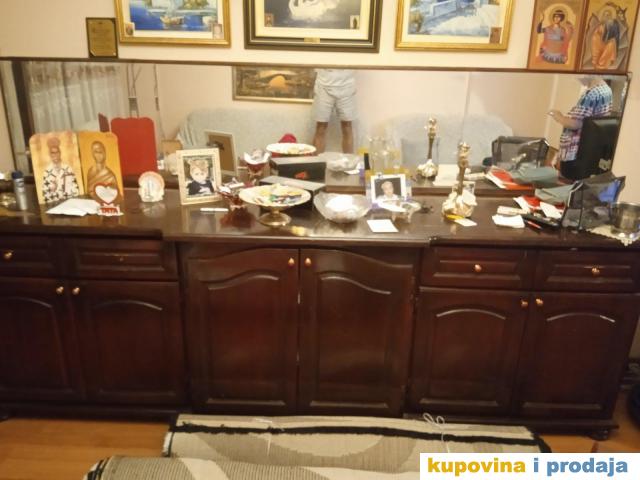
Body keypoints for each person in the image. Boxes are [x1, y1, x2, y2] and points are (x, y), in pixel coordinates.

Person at [549, 76, 613, 180]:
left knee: (566, 181)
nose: (577, 79)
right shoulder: (607, 90)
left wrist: (558, 116)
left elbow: (575, 124)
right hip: (589, 153)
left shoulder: (591, 94)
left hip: (575, 154)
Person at [312, 69, 357, 154]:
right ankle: (316, 162)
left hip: (347, 85)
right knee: (321, 127)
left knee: (347, 127)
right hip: (323, 84)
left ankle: (349, 161)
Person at [42, 136, 80, 203]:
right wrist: (53, 190)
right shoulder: (47, 171)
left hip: (69, 202)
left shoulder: (68, 168)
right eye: (52, 153)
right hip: (54, 203)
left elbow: (75, 188)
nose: (55, 155)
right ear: (50, 154)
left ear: (60, 153)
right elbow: (45, 194)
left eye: (57, 152)